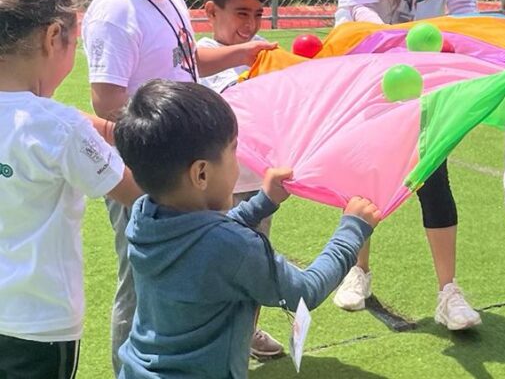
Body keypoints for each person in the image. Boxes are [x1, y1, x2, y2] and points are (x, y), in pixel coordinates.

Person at [82, 0, 275, 374]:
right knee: (141, 282)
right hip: (147, 175)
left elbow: (187, 60)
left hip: (185, 170)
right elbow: (108, 105)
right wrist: (174, 141)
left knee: (194, 265)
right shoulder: (115, 12)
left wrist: (239, 53)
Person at [113, 80, 380, 379]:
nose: (238, 161)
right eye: (233, 150)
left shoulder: (144, 213)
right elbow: (304, 291)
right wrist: (352, 230)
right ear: (201, 172)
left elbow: (207, 236)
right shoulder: (231, 247)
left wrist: (262, 202)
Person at [333, 0, 481, 330]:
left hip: (426, 71)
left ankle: (449, 292)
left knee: (432, 173)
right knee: (366, 173)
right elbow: (354, 6)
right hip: (370, 67)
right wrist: (398, 43)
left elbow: (463, 2)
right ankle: (358, 271)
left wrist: (445, 43)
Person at [0, 0, 140, 379]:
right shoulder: (61, 128)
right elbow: (134, 190)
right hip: (41, 322)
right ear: (51, 38)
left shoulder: (58, 124)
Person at [198, 0, 284, 358]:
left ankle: (247, 331)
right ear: (211, 11)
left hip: (256, 185)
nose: (250, 26)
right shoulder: (200, 55)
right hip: (212, 188)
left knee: (254, 260)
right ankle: (210, 338)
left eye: (257, 14)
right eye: (240, 14)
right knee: (210, 264)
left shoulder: (264, 53)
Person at [199, 0, 268, 93]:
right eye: (242, 14)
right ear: (212, 11)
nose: (252, 24)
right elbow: (239, 96)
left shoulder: (260, 43)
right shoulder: (205, 56)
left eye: (258, 15)